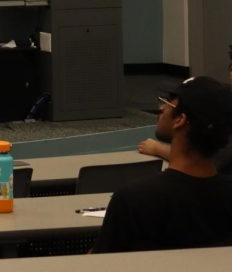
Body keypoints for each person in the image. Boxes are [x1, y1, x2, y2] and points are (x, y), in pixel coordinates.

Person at [92, 76, 232, 253]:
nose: (162, 109)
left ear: (179, 119)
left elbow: (97, 264)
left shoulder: (133, 200)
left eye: (168, 104)